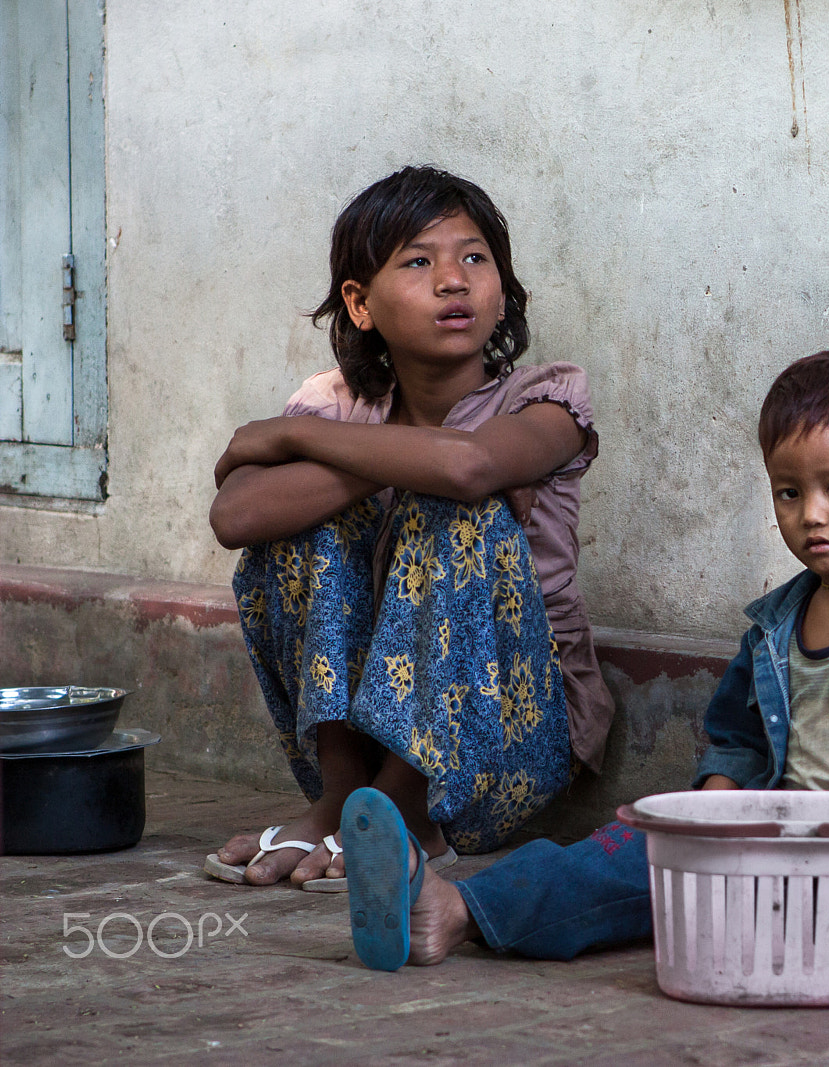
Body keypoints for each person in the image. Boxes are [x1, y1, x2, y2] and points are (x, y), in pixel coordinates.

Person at [339, 349, 829, 970]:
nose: (811, 513)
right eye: (789, 492)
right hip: (780, 835)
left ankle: (736, 924)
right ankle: (456, 906)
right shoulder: (776, 624)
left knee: (761, 904)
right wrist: (705, 813)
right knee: (630, 854)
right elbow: (739, 738)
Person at [204, 166, 614, 889]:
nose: (453, 279)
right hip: (360, 733)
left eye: (474, 257)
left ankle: (406, 807)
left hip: (509, 735)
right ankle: (342, 797)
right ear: (360, 304)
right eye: (419, 261)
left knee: (455, 505)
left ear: (503, 291)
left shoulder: (545, 403)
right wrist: (388, 449)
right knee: (307, 523)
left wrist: (283, 439)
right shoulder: (334, 404)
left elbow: (466, 469)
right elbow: (237, 516)